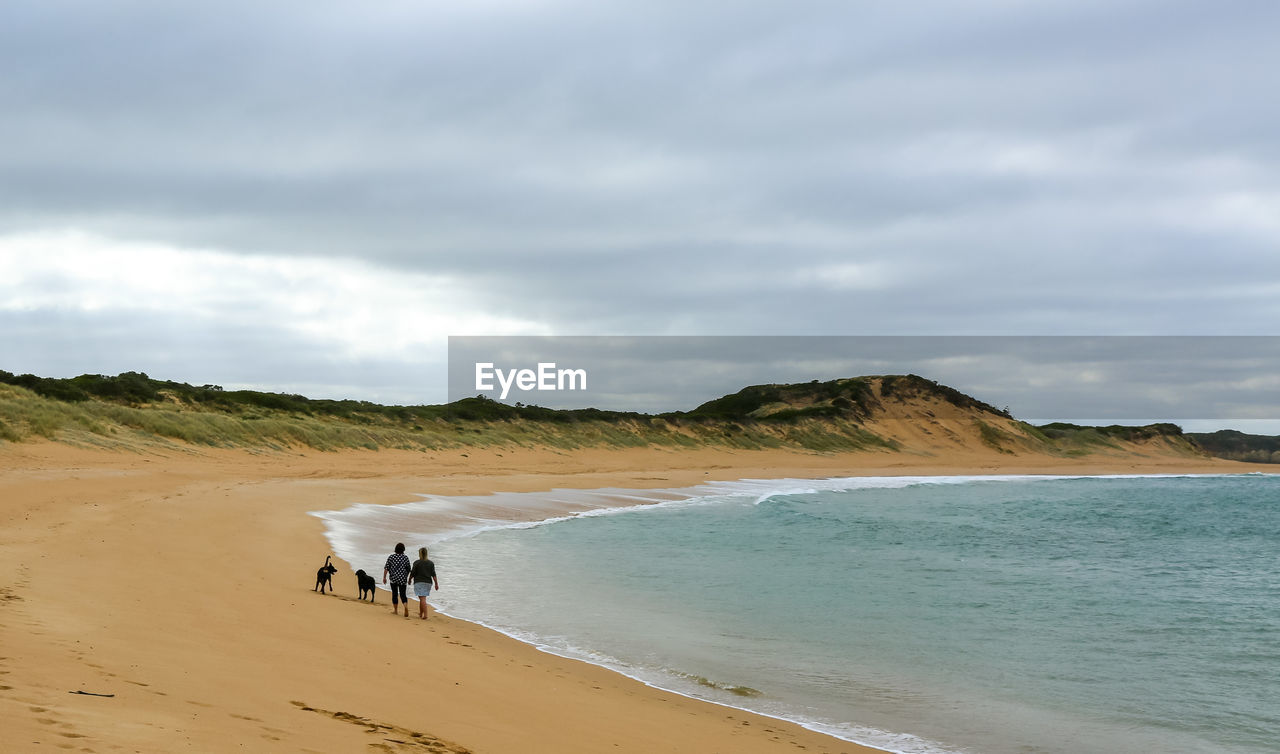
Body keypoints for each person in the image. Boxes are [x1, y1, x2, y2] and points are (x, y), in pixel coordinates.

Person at [409, 547, 440, 620]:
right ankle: (421, 613)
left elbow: (413, 573)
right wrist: (436, 584)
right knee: (422, 598)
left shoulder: (416, 562)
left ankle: (425, 614)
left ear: (419, 554)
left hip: (419, 582)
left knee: (422, 599)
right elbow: (434, 575)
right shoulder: (431, 563)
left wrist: (409, 579)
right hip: (428, 583)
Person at [382, 542, 412, 617]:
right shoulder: (405, 558)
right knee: (402, 594)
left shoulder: (391, 557)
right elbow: (408, 569)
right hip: (402, 579)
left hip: (393, 578)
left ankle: (395, 610)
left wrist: (384, 577)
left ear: (395, 549)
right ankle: (405, 606)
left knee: (394, 594)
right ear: (403, 550)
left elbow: (386, 568)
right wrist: (406, 577)